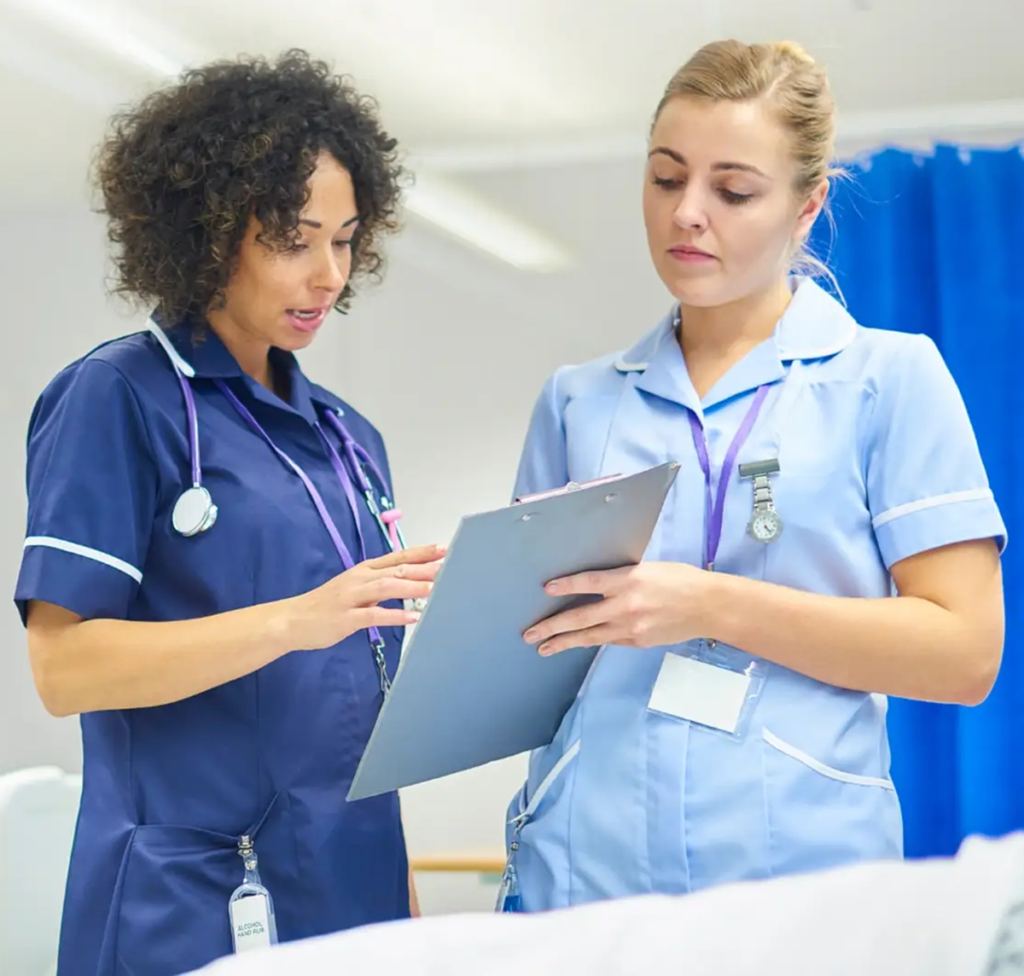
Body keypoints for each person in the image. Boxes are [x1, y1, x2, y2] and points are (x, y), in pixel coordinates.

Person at [503, 39, 1007, 910]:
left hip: (802, 875)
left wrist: (706, 603)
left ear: (809, 204)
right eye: (665, 179)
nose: (687, 214)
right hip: (586, 873)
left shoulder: (886, 379)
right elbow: (528, 659)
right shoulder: (579, 403)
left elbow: (965, 655)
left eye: (733, 190)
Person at [15, 50, 443, 976]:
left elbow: (358, 690)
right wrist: (297, 620)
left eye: (347, 237)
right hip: (194, 900)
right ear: (210, 235)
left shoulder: (346, 436)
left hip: (355, 886)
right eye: (295, 239)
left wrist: (399, 887)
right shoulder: (116, 398)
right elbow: (64, 666)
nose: (330, 274)